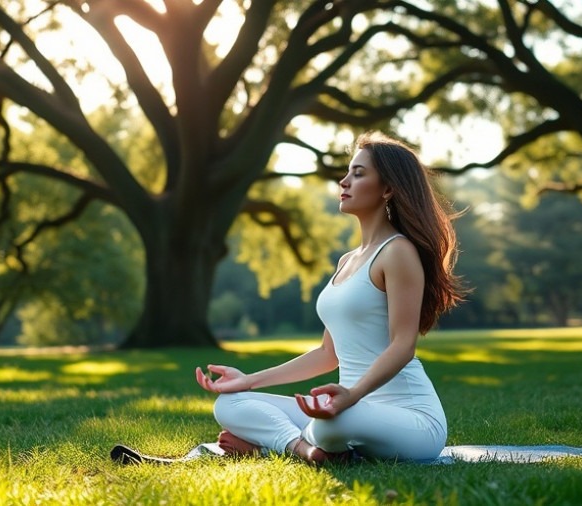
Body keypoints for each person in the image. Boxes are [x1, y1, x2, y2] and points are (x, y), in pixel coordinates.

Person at [195, 131, 464, 464]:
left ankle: (274, 445)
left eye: (358, 173)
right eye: (348, 172)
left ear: (388, 189)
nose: (344, 180)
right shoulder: (347, 262)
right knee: (230, 405)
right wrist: (248, 380)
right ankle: (306, 451)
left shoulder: (397, 253)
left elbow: (403, 345)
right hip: (346, 407)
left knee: (330, 423)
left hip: (409, 421)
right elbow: (327, 354)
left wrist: (352, 395)